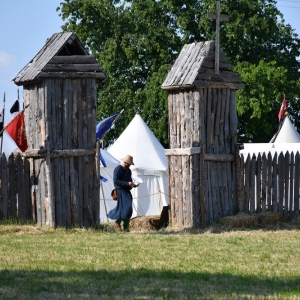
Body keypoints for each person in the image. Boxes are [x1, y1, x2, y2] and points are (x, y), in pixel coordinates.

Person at [107, 155, 138, 232]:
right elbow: (116, 181)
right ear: (125, 162)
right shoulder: (118, 169)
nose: (129, 165)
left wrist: (134, 185)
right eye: (129, 164)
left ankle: (125, 227)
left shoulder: (128, 170)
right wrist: (127, 183)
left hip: (127, 191)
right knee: (125, 208)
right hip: (120, 191)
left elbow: (129, 181)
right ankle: (118, 222)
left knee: (128, 209)